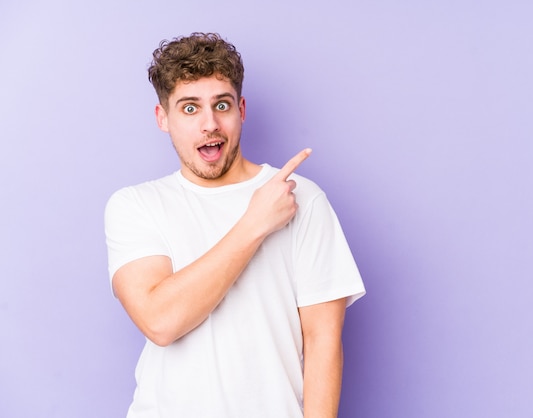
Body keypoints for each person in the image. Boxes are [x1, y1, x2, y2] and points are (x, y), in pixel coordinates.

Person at [104, 32, 365, 418]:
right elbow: (160, 321)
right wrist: (255, 223)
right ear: (163, 118)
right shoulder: (136, 205)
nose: (209, 124)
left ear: (241, 109)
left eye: (221, 105)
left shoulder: (301, 198)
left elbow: (323, 340)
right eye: (189, 109)